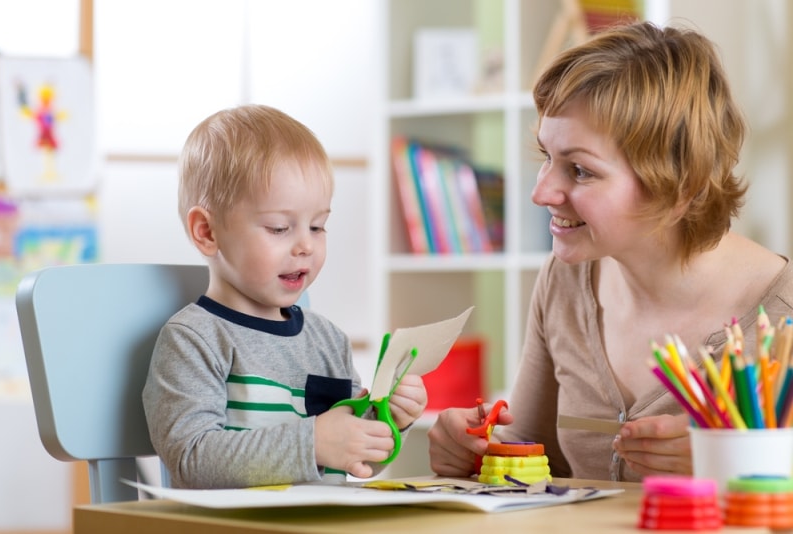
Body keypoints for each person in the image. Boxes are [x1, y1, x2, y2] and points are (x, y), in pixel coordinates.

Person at [427, 20, 793, 482]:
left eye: (580, 171)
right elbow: (535, 466)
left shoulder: (784, 315)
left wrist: (743, 465)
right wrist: (473, 455)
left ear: (681, 185)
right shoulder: (564, 281)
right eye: (546, 156)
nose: (541, 193)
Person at [143, 104, 427, 489]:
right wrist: (312, 444)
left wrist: (390, 419)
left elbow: (351, 460)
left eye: (317, 226)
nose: (306, 246)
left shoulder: (328, 341)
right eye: (279, 228)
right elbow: (191, 459)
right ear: (207, 232)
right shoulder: (194, 339)